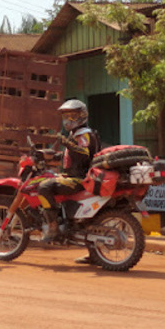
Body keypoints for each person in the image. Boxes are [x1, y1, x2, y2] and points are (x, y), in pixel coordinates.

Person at [38, 99, 100, 252]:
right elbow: (72, 158)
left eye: (72, 116)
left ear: (82, 116)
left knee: (44, 187)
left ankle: (53, 227)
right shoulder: (77, 134)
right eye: (66, 116)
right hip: (74, 176)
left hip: (79, 179)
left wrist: (67, 143)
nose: (68, 120)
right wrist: (53, 156)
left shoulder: (83, 135)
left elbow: (83, 155)